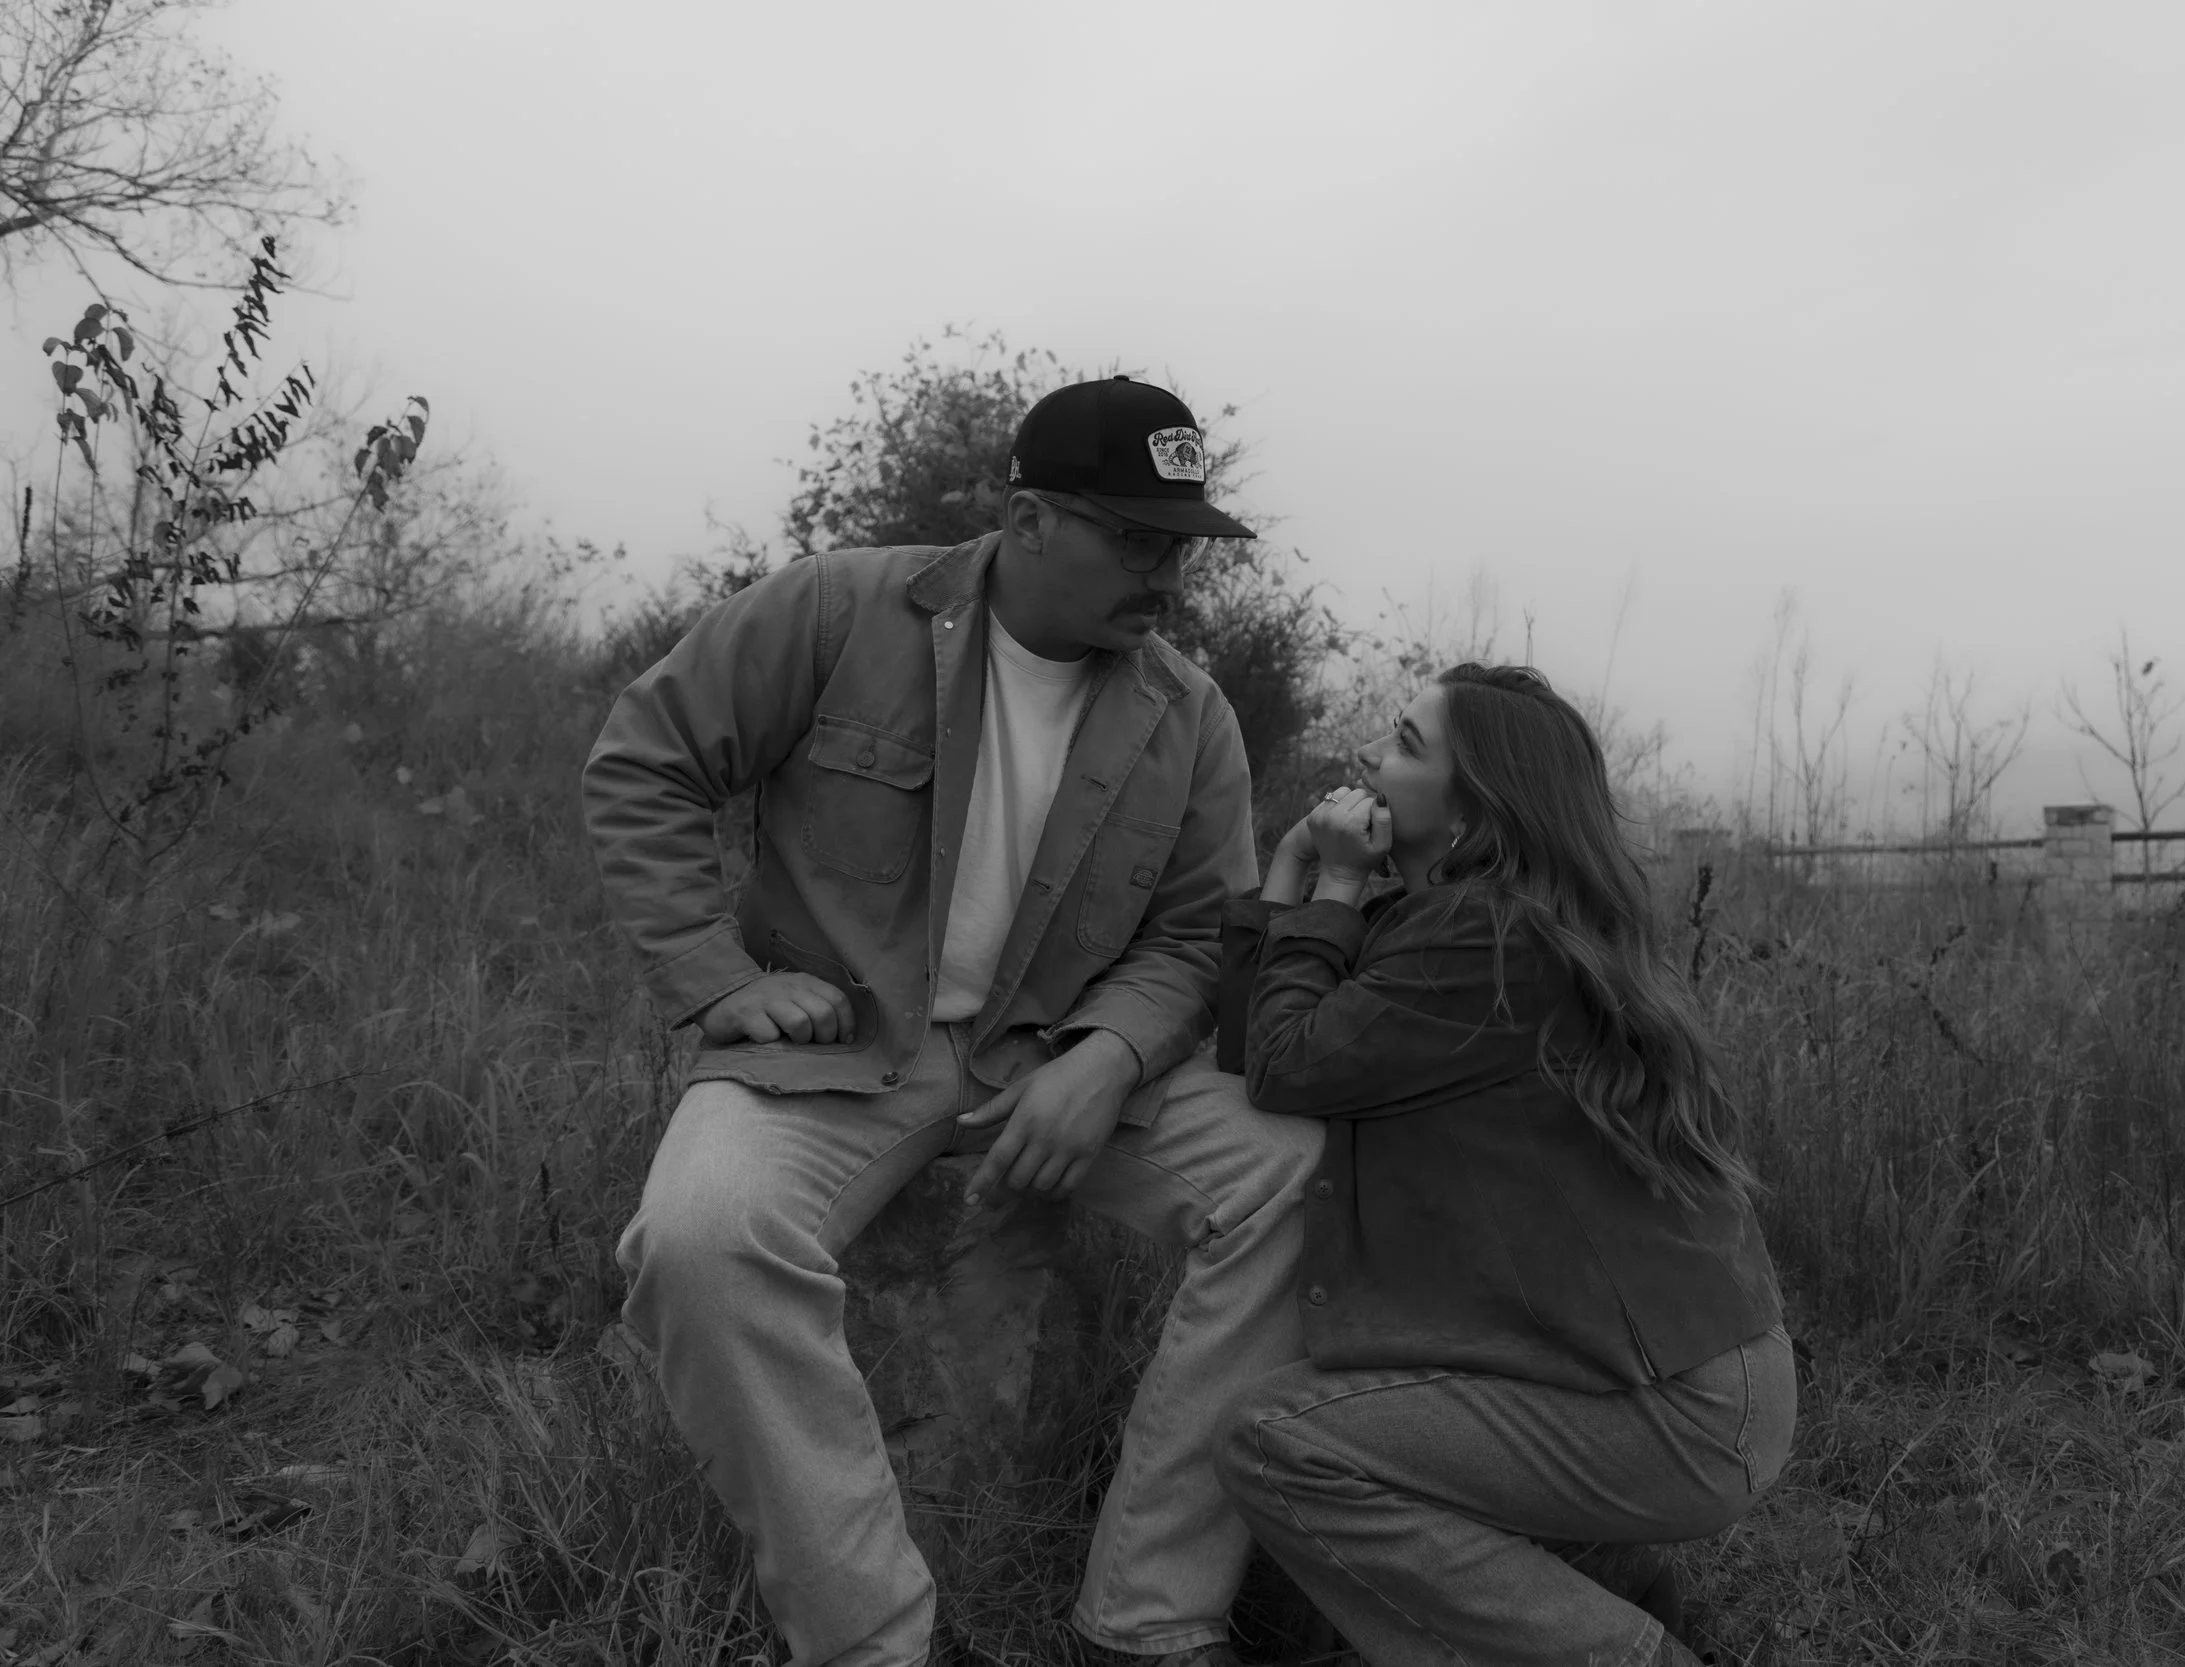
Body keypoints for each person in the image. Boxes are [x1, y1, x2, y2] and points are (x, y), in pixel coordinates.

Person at [582, 375, 1323, 1667]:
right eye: (1136, 537)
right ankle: (881, 1640)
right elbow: (647, 756)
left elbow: (1200, 930)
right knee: (698, 1236)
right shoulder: (836, 608)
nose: (1167, 574)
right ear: (1032, 518)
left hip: (1064, 1056)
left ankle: (1147, 1620)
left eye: (1183, 545)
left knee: (1294, 1178)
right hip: (841, 1056)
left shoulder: (1188, 710)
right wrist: (717, 978)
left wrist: (1108, 1055)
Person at [1211, 663, 1793, 1667]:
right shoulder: (1470, 920)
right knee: (1347, 1420)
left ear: (1478, 802)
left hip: (1673, 1409)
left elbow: (1285, 1062)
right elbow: (1254, 1038)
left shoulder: (1488, 938)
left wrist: (1335, 883)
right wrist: (1286, 878)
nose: (1371, 759)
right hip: (1666, 1380)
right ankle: (1605, 1579)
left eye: (1402, 741)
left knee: (1278, 1435)